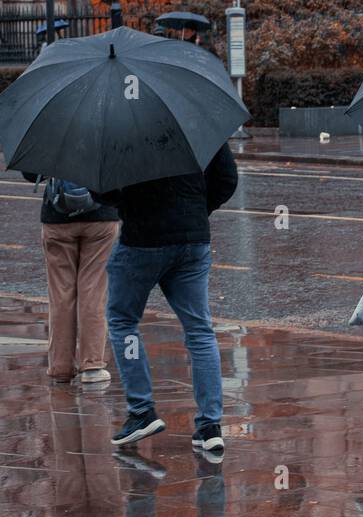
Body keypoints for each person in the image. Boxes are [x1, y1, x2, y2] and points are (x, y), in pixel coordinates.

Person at [97, 143, 238, 452]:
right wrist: (196, 211)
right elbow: (227, 179)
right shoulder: (195, 119)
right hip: (193, 239)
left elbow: (104, 191)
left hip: (142, 241)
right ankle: (209, 427)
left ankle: (141, 410)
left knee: (123, 322)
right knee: (200, 330)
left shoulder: (123, 127)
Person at [21, 172, 118, 385]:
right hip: (101, 216)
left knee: (60, 295)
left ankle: (60, 367)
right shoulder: (110, 136)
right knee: (94, 291)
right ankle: (92, 365)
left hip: (57, 217)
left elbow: (30, 174)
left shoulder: (48, 137)